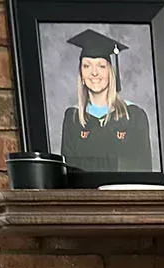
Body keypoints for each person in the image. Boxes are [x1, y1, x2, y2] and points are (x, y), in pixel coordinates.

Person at [59, 29, 152, 175]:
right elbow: (68, 175)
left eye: (101, 66)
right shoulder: (73, 119)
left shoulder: (133, 117)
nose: (94, 72)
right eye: (87, 66)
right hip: (85, 196)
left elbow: (142, 171)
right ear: (81, 75)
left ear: (111, 72)